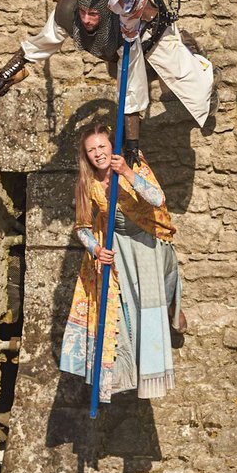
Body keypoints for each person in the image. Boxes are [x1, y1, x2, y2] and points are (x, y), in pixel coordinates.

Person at [0, 0, 214, 161]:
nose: (86, 19)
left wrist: (133, 147)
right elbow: (41, 43)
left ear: (105, 13)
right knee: (115, 71)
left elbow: (131, 89)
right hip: (116, 51)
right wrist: (7, 74)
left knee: (194, 86)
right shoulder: (68, 12)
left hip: (151, 33)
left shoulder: (124, 29)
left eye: (93, 14)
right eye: (83, 12)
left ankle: (192, 52)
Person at [59, 121, 185, 403]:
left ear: (111, 146)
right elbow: (81, 227)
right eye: (91, 150)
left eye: (102, 146)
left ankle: (172, 307)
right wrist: (95, 249)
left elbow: (157, 197)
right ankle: (129, 374)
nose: (98, 153)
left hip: (150, 239)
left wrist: (126, 172)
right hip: (120, 247)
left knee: (156, 299)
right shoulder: (87, 183)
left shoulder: (131, 162)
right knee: (128, 310)